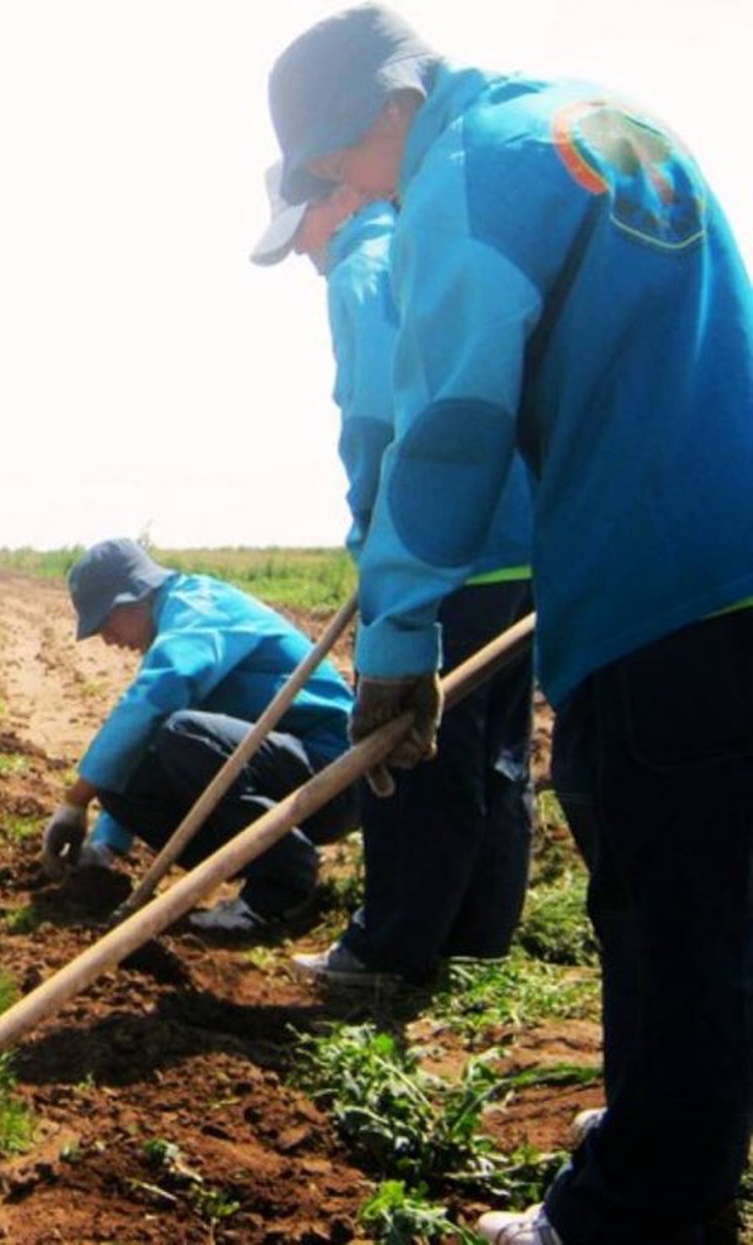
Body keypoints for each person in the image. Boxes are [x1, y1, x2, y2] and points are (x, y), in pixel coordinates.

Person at [268, 6, 753, 1240]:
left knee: (660, 895)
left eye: (330, 164)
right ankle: (676, 1116)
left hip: (655, 580)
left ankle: (637, 1208)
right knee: (715, 887)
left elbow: (449, 429)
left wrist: (395, 647)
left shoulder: (463, 178)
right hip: (726, 552)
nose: (343, 189)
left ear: (385, 111)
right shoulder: (588, 116)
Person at [253, 169, 539, 989]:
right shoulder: (434, 250)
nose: (305, 247)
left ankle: (390, 949)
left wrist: (379, 531)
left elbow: (378, 416)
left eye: (303, 222)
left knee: (411, 749)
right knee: (493, 748)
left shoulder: (361, 266)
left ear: (343, 194)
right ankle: (476, 938)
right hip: (515, 537)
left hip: (439, 542)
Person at [37, 539, 360, 932]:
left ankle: (284, 890)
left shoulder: (198, 607)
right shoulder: (173, 618)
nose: (107, 638)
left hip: (334, 773)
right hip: (279, 772)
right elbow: (138, 737)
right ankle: (256, 863)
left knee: (183, 735)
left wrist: (75, 801)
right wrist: (105, 846)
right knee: (121, 775)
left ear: (135, 595)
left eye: (106, 621)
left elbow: (158, 695)